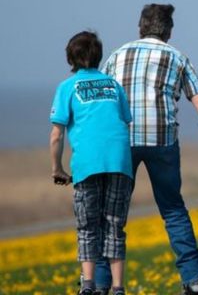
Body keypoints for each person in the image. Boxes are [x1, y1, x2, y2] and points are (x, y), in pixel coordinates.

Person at [96, 4, 198, 295]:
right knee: (173, 209)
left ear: (140, 27)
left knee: (111, 215)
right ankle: (194, 280)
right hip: (162, 140)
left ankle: (100, 284)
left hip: (122, 141)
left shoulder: (116, 56)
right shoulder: (178, 57)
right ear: (169, 31)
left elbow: (100, 105)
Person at [49, 31, 133, 295]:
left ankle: (88, 286)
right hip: (119, 162)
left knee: (88, 226)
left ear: (70, 58)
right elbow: (123, 121)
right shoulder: (113, 85)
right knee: (114, 225)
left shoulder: (67, 87)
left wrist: (57, 169)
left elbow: (56, 136)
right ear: (98, 56)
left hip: (87, 164)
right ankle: (118, 288)